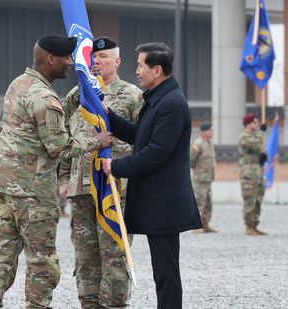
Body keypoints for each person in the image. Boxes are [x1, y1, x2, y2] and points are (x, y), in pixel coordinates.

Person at [0, 34, 113, 309]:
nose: (70, 63)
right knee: (42, 259)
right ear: (51, 59)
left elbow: (50, 114)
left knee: (0, 255)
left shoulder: (20, 84)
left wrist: (82, 87)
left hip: (4, 186)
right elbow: (59, 147)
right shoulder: (43, 96)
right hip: (32, 192)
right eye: (66, 58)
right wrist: (95, 142)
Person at [102, 42, 201, 309]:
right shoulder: (158, 99)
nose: (136, 71)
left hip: (165, 203)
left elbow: (157, 151)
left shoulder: (171, 103)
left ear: (157, 70)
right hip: (157, 201)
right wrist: (107, 115)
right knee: (163, 272)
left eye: (140, 65)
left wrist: (117, 167)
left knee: (166, 273)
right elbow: (139, 136)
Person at [59, 36, 143, 309]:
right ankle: (89, 304)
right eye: (93, 57)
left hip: (114, 188)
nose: (97, 61)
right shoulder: (79, 94)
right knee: (85, 255)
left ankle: (115, 304)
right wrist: (62, 178)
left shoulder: (132, 95)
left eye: (104, 56)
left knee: (114, 253)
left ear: (117, 61)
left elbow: (142, 140)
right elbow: (63, 135)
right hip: (82, 187)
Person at [238, 113, 268, 236]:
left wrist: (264, 157)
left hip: (258, 172)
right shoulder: (244, 137)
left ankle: (255, 224)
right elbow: (255, 146)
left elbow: (262, 150)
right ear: (248, 124)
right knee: (249, 200)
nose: (257, 123)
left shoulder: (258, 136)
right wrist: (262, 133)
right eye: (254, 122)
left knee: (258, 199)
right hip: (248, 173)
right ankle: (248, 226)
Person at [190, 122, 217, 233]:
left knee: (207, 202)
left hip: (208, 178)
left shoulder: (209, 143)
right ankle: (196, 226)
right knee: (199, 202)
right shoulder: (198, 144)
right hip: (200, 178)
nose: (212, 132)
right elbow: (191, 160)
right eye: (210, 130)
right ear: (204, 131)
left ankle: (205, 224)